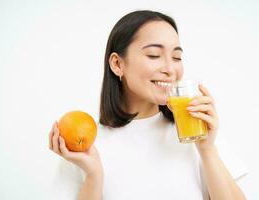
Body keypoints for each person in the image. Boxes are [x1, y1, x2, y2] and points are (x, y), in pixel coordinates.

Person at [48, 10, 248, 200]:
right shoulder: (86, 143)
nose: (170, 69)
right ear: (117, 64)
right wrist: (93, 175)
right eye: (154, 55)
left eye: (177, 57)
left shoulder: (196, 131)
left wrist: (207, 149)